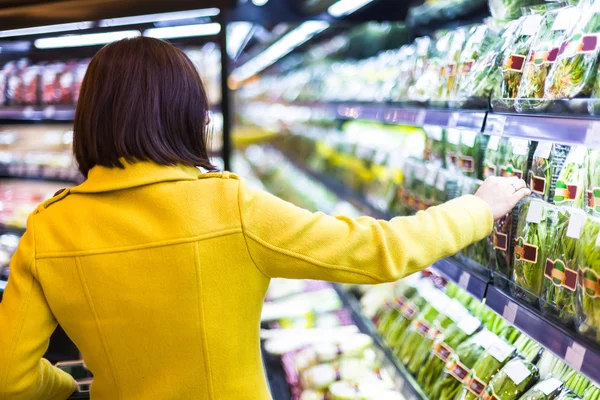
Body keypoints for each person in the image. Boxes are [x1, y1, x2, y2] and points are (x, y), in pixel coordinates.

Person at [0, 37, 530, 400]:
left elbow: (9, 377)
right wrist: (479, 208)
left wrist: (73, 388)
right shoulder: (228, 206)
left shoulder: (50, 228)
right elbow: (377, 251)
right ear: (189, 116)